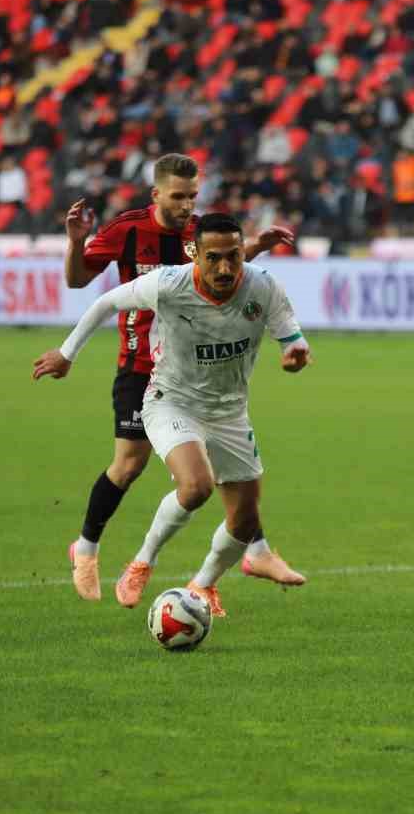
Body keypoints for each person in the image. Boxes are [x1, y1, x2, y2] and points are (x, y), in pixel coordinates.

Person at [35, 213, 312, 618]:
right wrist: (66, 353)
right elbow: (107, 301)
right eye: (213, 257)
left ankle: (203, 583)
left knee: (244, 520)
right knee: (196, 485)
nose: (224, 268)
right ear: (194, 255)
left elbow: (292, 337)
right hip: (172, 401)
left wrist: (295, 355)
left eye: (233, 257)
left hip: (230, 413)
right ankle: (143, 560)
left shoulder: (263, 285)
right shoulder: (169, 285)